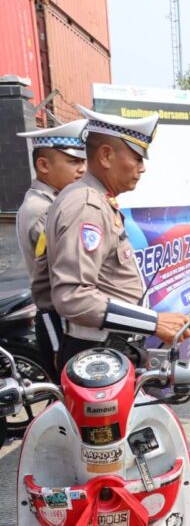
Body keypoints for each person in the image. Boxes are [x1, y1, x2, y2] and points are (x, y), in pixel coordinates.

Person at [44, 106, 190, 373]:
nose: (142, 168)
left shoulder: (97, 199)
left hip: (110, 350)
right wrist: (153, 322)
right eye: (137, 157)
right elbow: (73, 296)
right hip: (99, 355)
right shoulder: (87, 205)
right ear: (106, 155)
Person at [16, 120, 87, 378]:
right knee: (68, 394)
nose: (81, 169)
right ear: (44, 165)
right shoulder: (42, 209)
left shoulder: (56, 201)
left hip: (66, 317)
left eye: (82, 161)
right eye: (72, 162)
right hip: (57, 319)